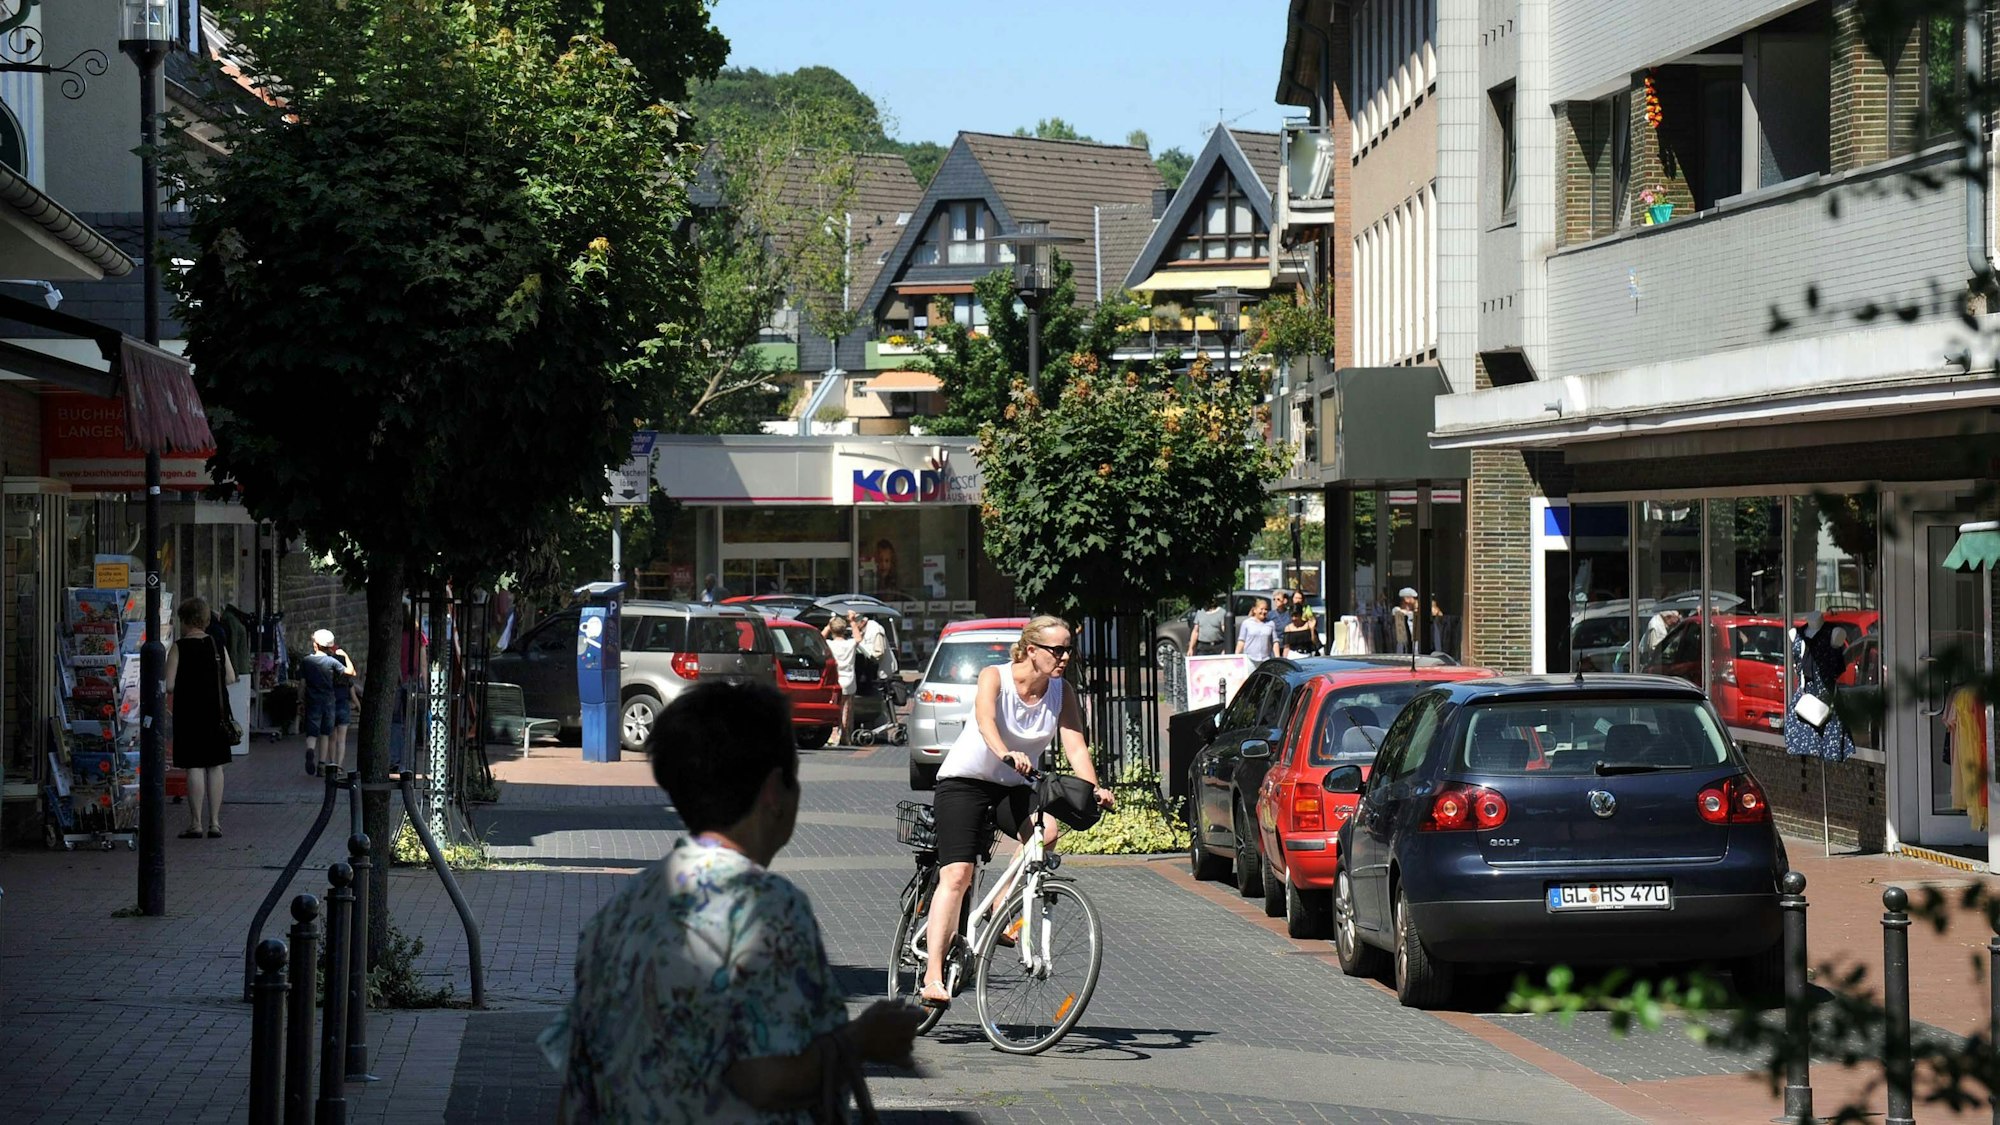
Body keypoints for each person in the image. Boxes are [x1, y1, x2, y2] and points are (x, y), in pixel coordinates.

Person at [549, 679, 922, 1122]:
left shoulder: (617, 916)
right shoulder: (768, 907)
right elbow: (763, 1080)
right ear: (773, 792)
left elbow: (576, 1086)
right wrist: (862, 1040)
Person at [920, 616, 1113, 1008]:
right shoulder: (996, 677)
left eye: (1068, 650)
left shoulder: (1062, 692)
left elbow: (1075, 747)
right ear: (1030, 650)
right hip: (965, 781)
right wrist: (1005, 752)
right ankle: (933, 976)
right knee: (957, 874)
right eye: (1056, 650)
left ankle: (998, 906)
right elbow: (985, 721)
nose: (1064, 658)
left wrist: (1094, 790)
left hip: (1013, 787)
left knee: (1048, 832)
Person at [164, 596, 236, 839]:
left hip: (188, 712)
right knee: (215, 766)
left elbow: (170, 685)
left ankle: (195, 823)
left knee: (193, 766)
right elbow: (230, 678)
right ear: (204, 620)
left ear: (185, 620)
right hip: (216, 713)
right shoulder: (216, 645)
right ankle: (215, 823)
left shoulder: (179, 647)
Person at [300, 629, 359, 775]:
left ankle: (310, 749)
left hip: (312, 700)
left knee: (312, 732)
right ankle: (321, 765)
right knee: (326, 733)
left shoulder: (306, 661)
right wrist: (344, 655)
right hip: (329, 701)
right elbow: (351, 672)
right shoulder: (332, 662)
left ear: (315, 645)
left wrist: (300, 699)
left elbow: (302, 683)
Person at [821, 615, 859, 745]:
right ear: (844, 630)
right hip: (848, 679)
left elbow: (820, 638)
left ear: (832, 630)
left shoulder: (829, 644)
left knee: (834, 708)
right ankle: (845, 736)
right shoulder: (850, 644)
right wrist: (853, 621)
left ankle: (833, 734)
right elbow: (858, 638)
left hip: (835, 679)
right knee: (846, 710)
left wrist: (828, 625)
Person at [1235, 598, 1278, 662]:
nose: (1264, 612)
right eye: (1261, 609)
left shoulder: (1271, 624)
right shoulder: (1247, 623)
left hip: (1266, 659)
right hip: (1249, 659)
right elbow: (1241, 641)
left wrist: (1278, 658)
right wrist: (1236, 656)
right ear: (1255, 610)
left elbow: (1275, 642)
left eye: (1266, 609)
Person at [1391, 587, 1420, 653]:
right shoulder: (1396, 610)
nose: (1416, 600)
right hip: (1403, 647)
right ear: (1407, 599)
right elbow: (1399, 613)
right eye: (1414, 598)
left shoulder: (1415, 612)